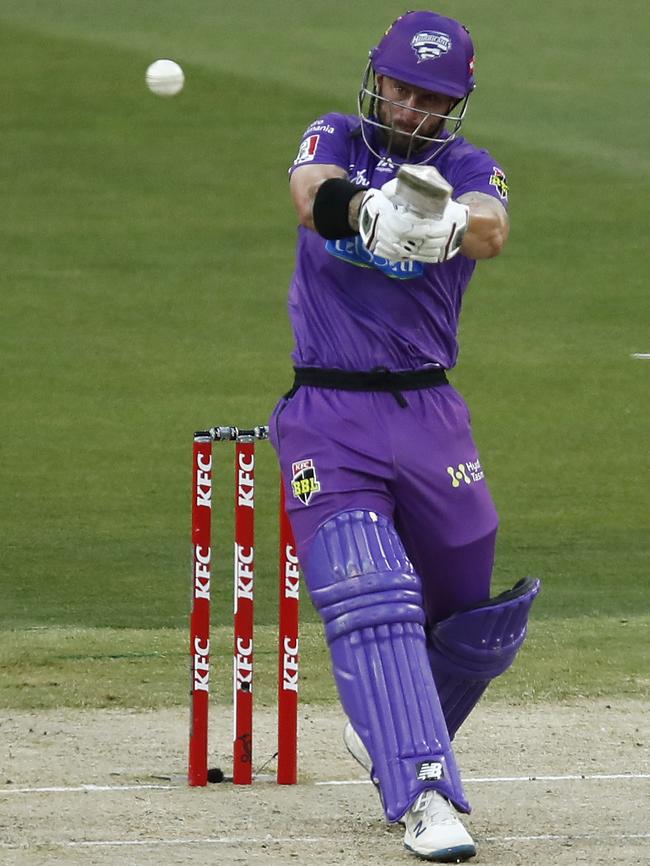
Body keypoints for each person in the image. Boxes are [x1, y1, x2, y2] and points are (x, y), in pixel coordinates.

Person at [269, 10, 540, 862]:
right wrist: (371, 218)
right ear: (376, 78)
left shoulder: (464, 165)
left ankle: (389, 720)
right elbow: (310, 195)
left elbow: (492, 224)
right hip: (329, 410)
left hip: (429, 411)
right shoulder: (339, 134)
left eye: (434, 97)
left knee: (477, 614)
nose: (413, 108)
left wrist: (450, 226)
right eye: (403, 87)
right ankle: (425, 793)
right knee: (372, 590)